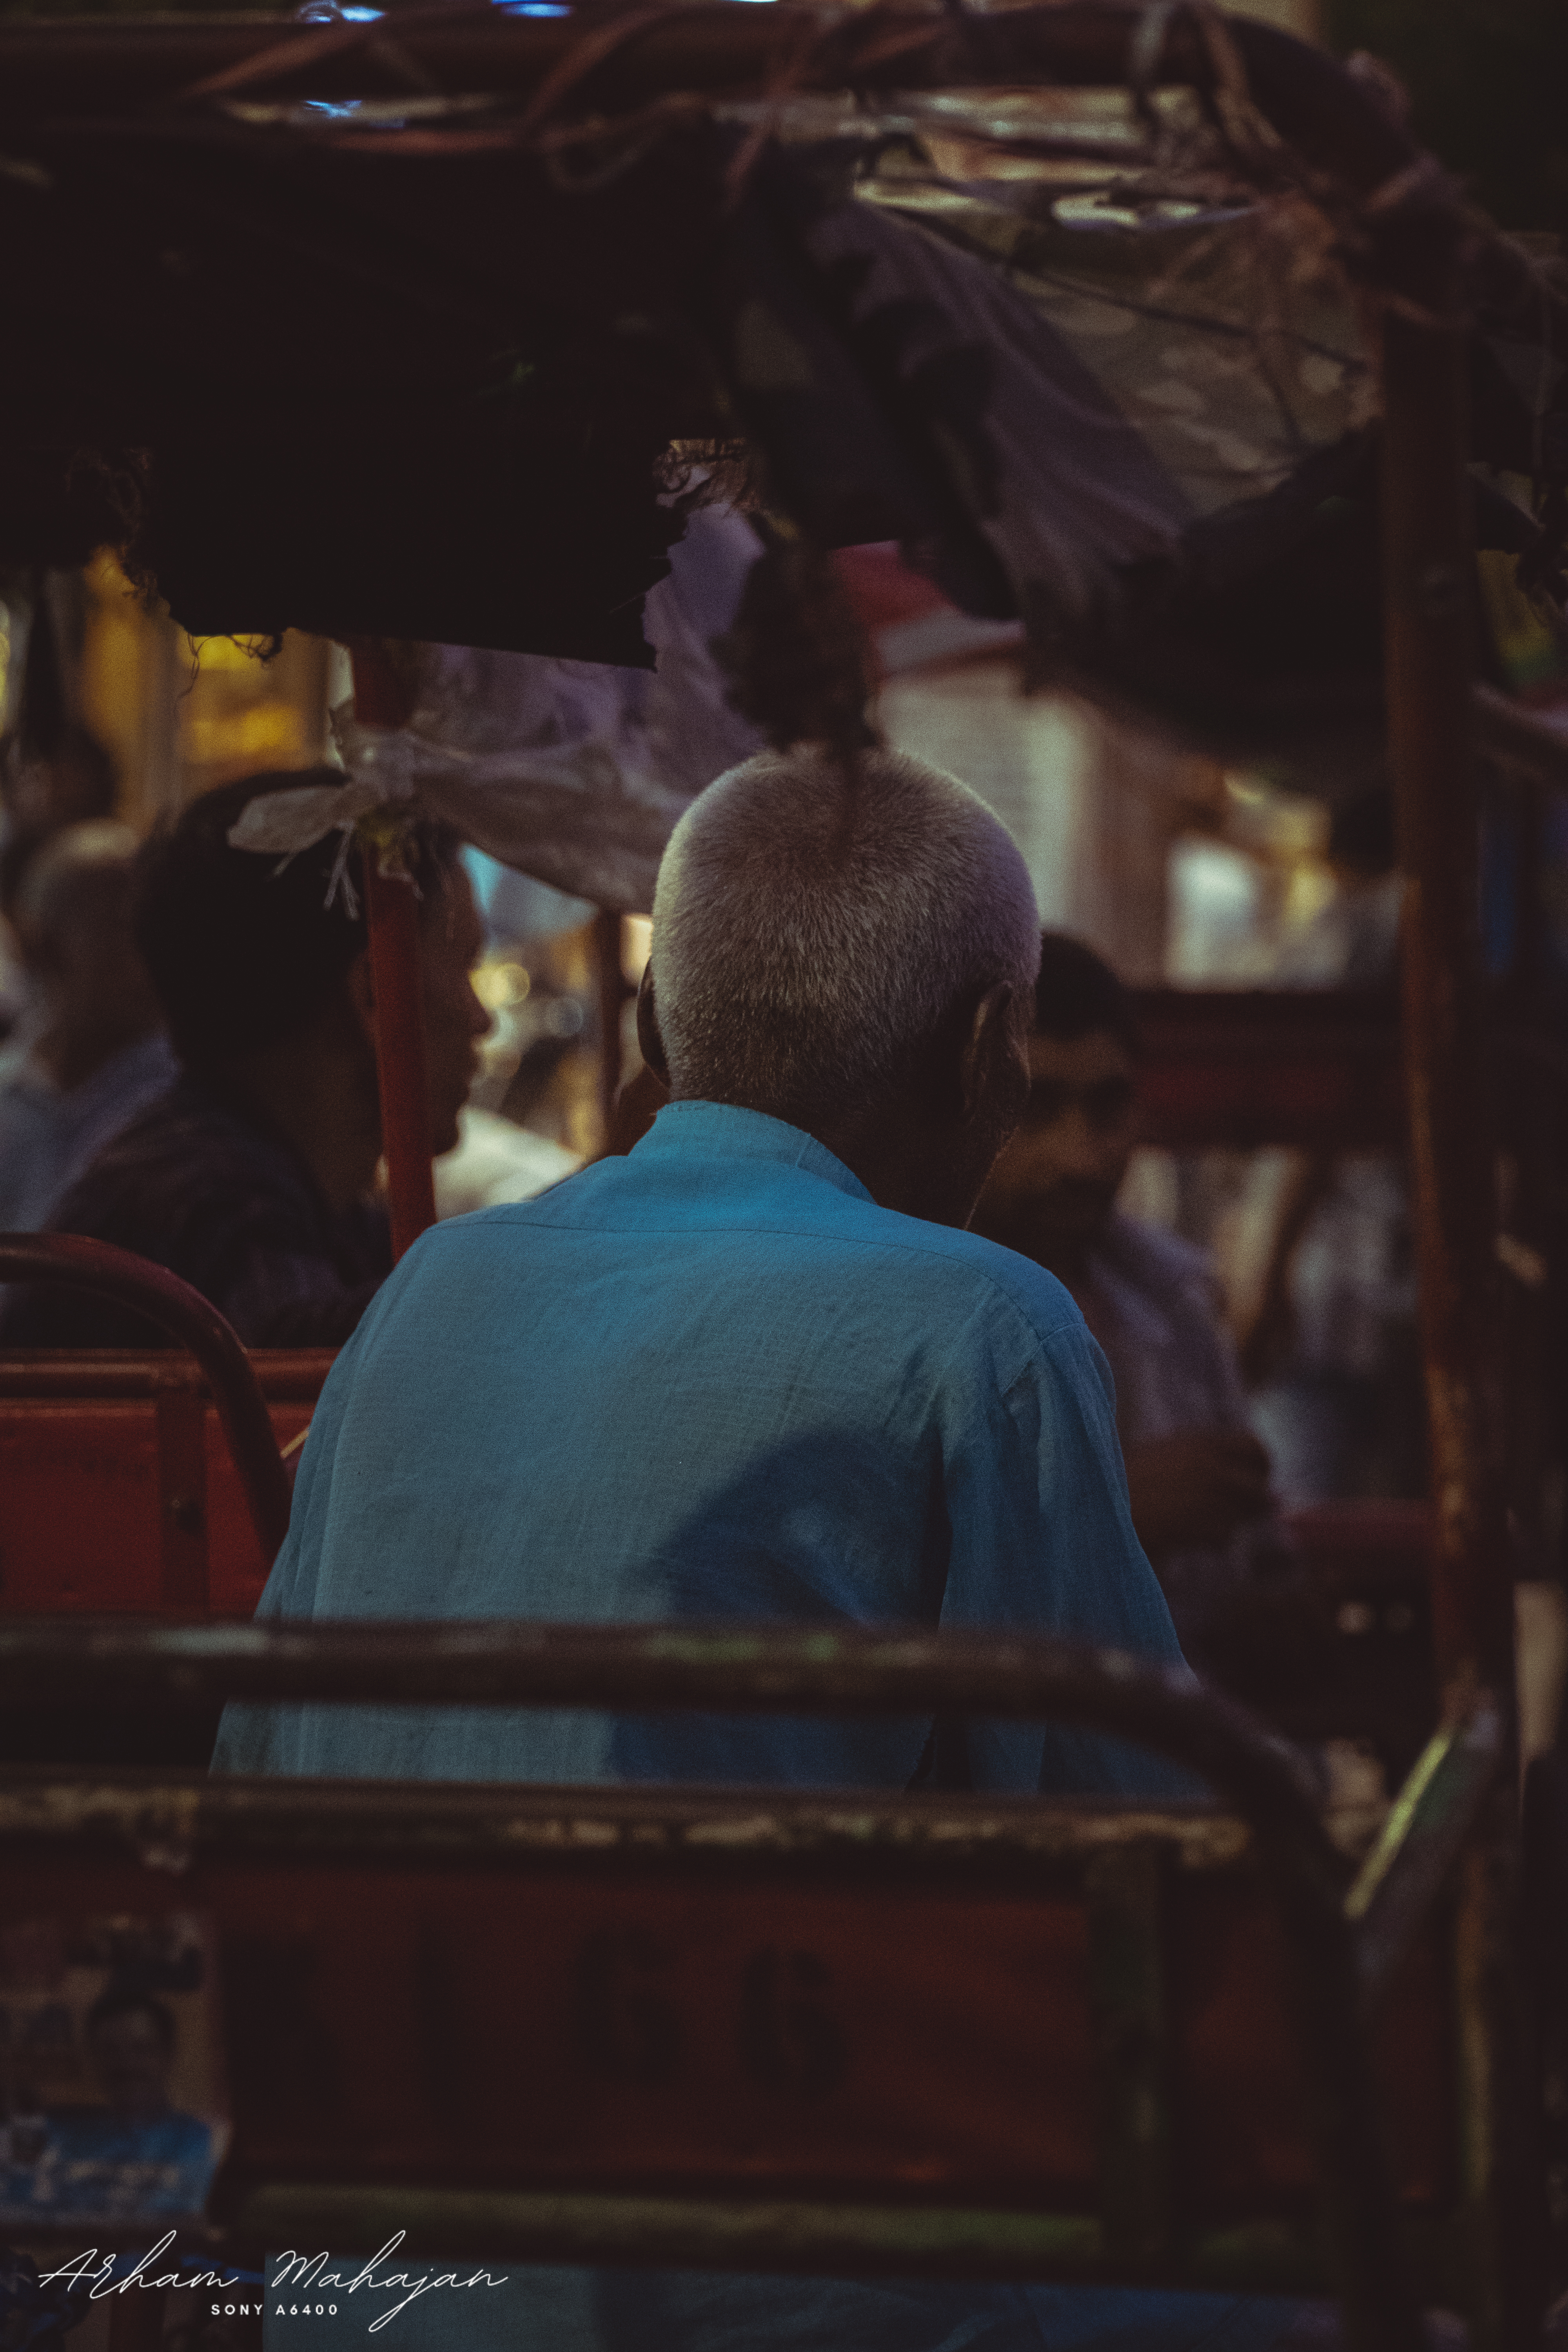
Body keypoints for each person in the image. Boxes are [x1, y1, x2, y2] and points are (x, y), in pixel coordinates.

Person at [215, 748, 1303, 2352]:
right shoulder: (983, 1321)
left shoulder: (431, 1292)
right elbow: (1121, 1867)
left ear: (654, 1030)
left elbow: (256, 1771)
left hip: (355, 2289)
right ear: (990, 1052)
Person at [0, 773, 491, 1349]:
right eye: (463, 965)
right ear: (375, 995)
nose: (483, 1018)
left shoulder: (282, 1177)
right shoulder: (207, 1192)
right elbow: (305, 1362)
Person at [971, 933, 1274, 1655]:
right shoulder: (897, 1309)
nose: (1082, 1156)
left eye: (1107, 1108)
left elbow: (1258, 1568)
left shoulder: (1177, 1298)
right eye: (1036, 1109)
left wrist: (1272, 1608)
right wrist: (1112, 1511)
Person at [0, 822, 175, 1231]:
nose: (152, 957)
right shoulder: (8, 1094)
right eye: (121, 928)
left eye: (157, 929)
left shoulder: (184, 1103)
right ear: (43, 946)